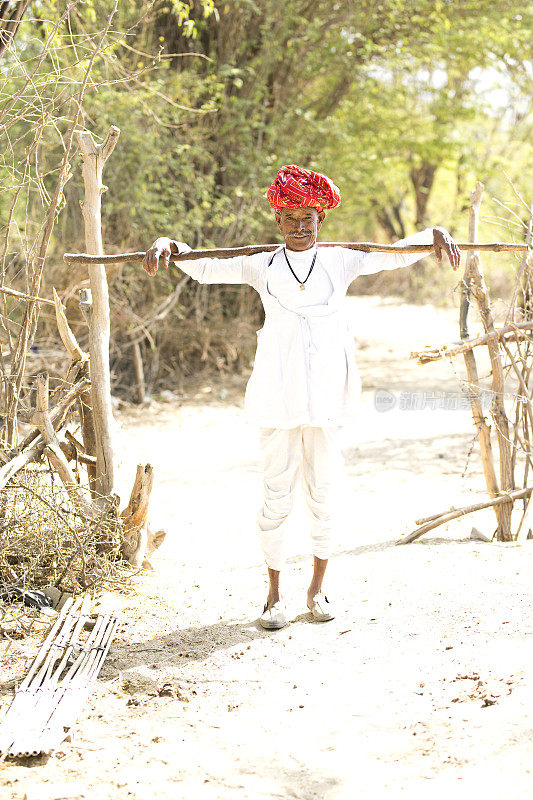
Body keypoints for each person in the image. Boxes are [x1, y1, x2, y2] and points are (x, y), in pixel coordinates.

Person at [142, 164, 460, 630]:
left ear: (320, 219)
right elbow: (207, 267)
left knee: (325, 492)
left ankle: (318, 588)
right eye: (289, 219)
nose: (298, 227)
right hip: (277, 394)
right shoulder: (260, 264)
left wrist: (434, 232)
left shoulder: (342, 259)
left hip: (329, 396)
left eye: (307, 218)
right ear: (277, 221)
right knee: (275, 495)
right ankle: (273, 595)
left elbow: (393, 254)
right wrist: (171, 244)